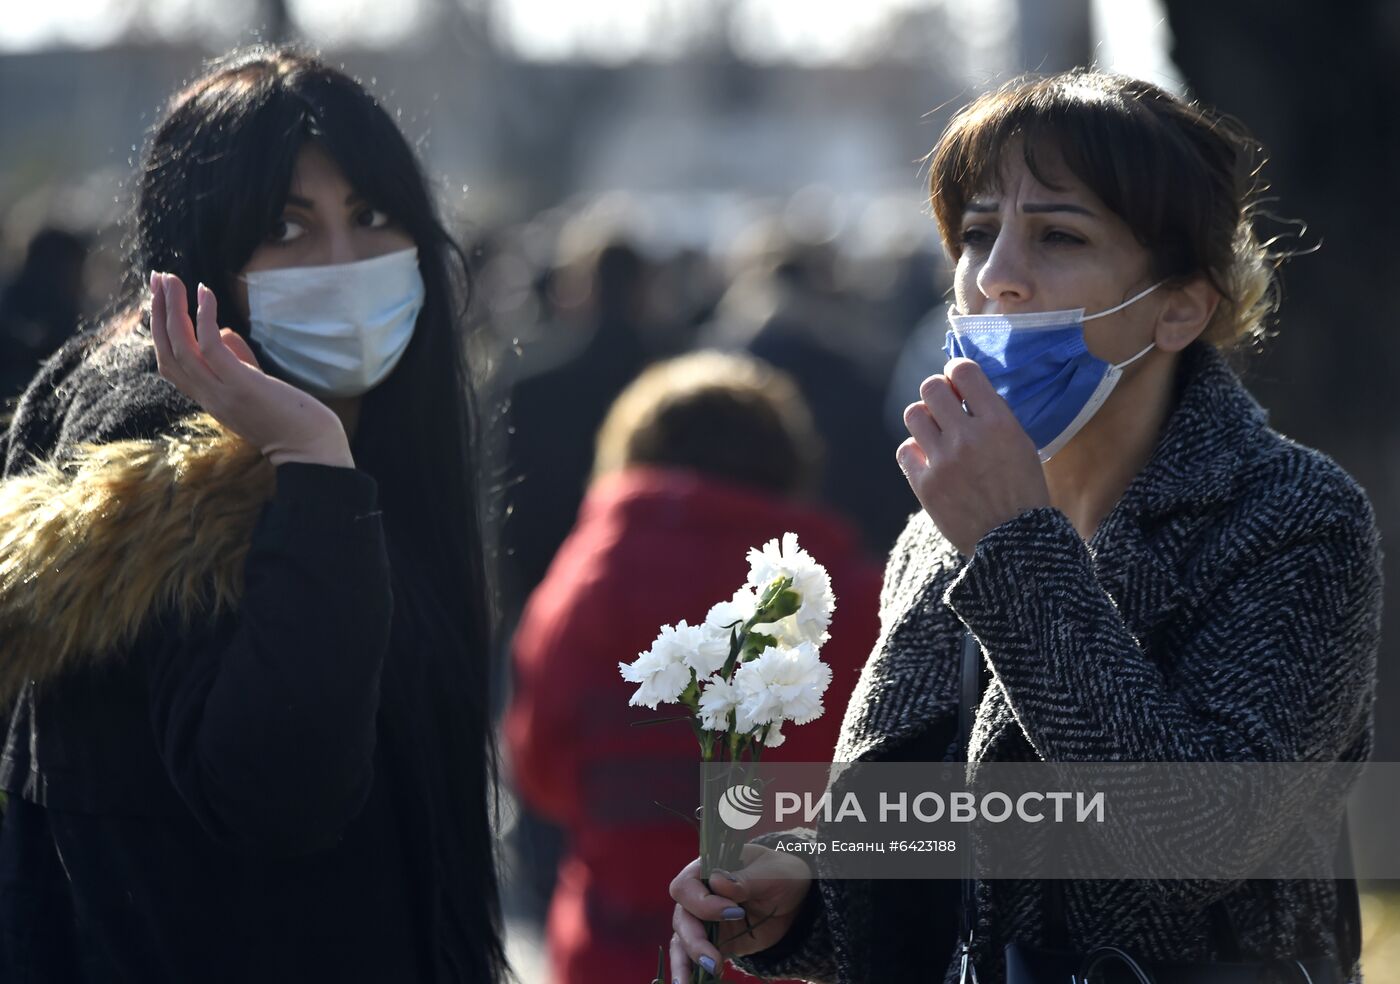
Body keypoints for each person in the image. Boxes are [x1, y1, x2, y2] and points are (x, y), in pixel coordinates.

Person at [666, 70, 1382, 984]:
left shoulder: (1291, 516)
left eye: (1059, 234)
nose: (998, 276)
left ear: (1181, 305)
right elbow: (936, 832)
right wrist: (807, 883)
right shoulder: (942, 532)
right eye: (975, 234)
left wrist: (1014, 548)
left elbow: (1199, 841)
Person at [0, 46, 507, 983]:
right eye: (287, 224)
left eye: (373, 215)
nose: (345, 262)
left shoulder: (381, 439)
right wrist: (311, 467)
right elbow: (279, 796)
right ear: (201, 255)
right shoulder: (170, 471)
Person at [505, 350, 882, 984]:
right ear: (787, 460)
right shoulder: (847, 594)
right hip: (787, 955)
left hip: (611, 950)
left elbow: (539, 772)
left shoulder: (576, 584)